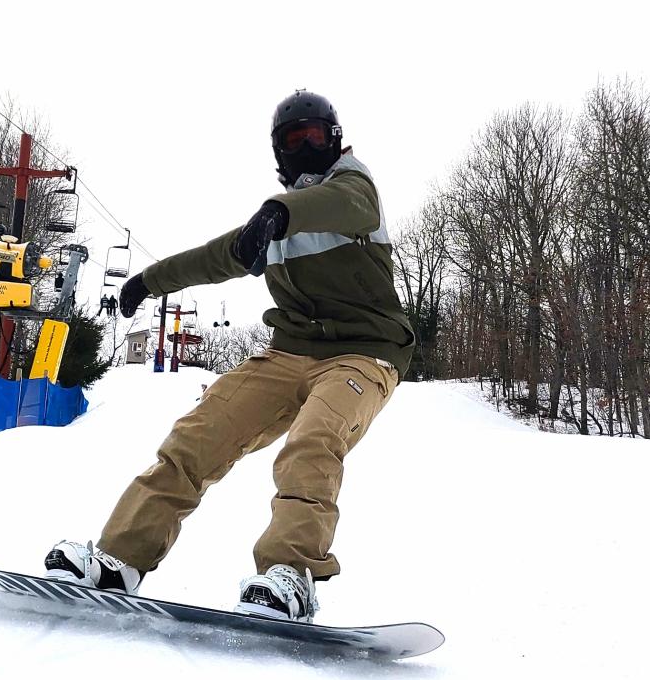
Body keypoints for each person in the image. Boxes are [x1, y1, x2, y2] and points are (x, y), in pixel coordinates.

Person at [46, 90, 415, 620]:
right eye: (294, 140)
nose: (305, 148)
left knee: (313, 442)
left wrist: (277, 212)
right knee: (196, 438)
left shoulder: (352, 189)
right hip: (289, 353)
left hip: (364, 355)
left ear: (334, 141)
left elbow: (344, 203)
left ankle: (291, 574)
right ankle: (119, 559)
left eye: (315, 136)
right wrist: (148, 281)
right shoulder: (274, 224)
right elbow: (212, 258)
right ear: (278, 152)